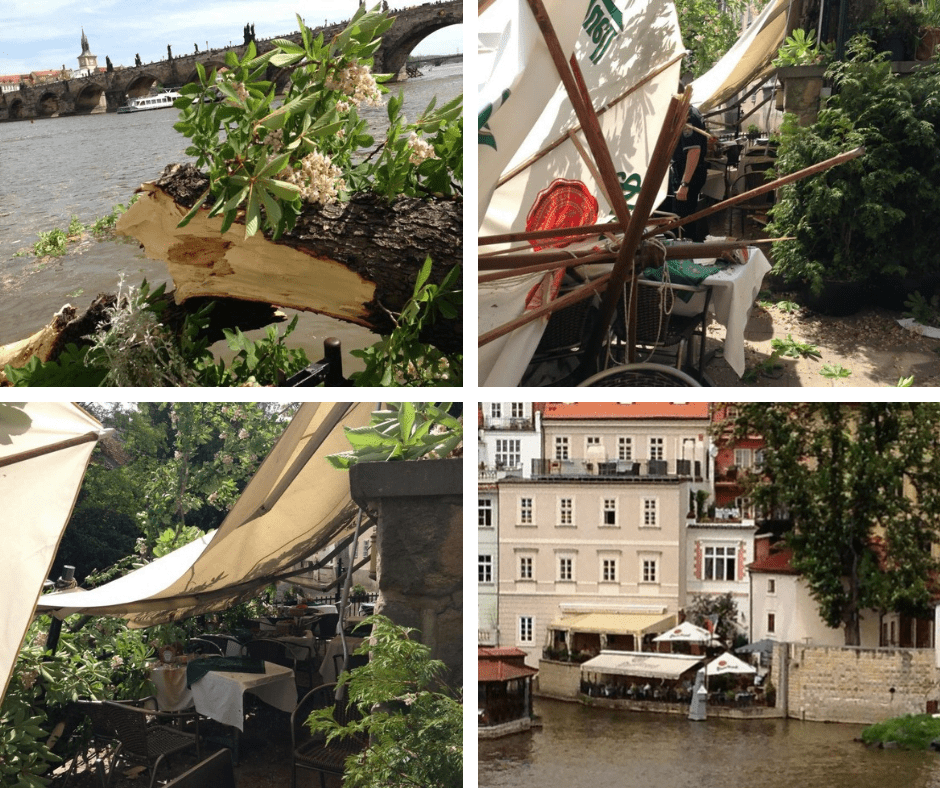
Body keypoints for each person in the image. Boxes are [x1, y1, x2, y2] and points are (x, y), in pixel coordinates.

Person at [668, 86, 709, 241]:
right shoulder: (689, 112)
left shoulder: (688, 116)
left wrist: (684, 184)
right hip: (685, 171)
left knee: (683, 219)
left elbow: (694, 152)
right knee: (683, 216)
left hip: (687, 174)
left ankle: (686, 253)